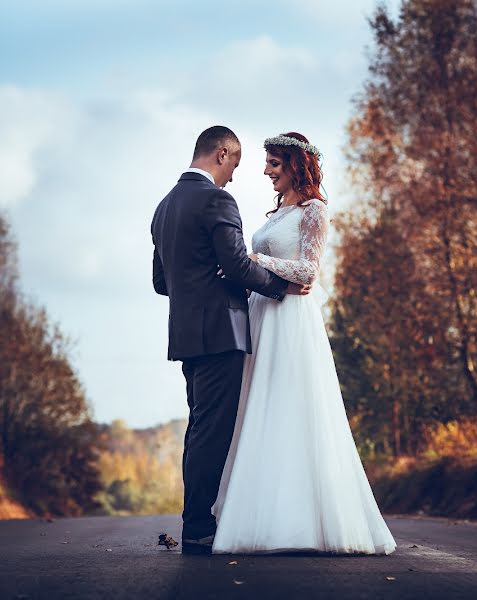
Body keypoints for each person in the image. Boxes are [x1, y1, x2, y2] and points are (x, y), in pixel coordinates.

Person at [210, 132, 396, 555]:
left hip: (291, 322)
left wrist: (257, 261)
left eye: (274, 163)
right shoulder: (277, 215)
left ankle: (304, 522)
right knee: (258, 407)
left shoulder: (315, 211)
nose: (265, 171)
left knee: (291, 407)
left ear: (296, 165)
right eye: (267, 163)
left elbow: (309, 272)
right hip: (262, 315)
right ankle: (258, 514)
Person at [150, 126, 311, 555]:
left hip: (185, 334)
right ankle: (200, 525)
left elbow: (161, 282)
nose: (234, 177)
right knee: (213, 431)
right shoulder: (216, 200)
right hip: (222, 331)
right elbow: (238, 265)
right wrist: (281, 288)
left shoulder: (163, 208)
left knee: (200, 427)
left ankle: (199, 520)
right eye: (235, 165)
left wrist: (200, 282)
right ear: (222, 153)